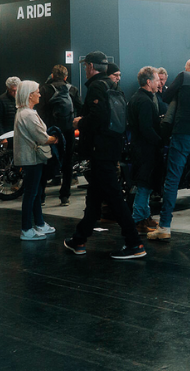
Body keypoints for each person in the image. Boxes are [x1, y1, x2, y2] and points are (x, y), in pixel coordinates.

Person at [64, 51, 146, 260]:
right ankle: (79, 239)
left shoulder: (96, 86)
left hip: (100, 150)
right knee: (95, 197)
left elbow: (97, 117)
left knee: (115, 198)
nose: (85, 69)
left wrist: (79, 122)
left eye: (85, 66)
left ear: (91, 66)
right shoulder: (114, 86)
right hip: (112, 147)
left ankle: (134, 242)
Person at [148, 56, 190, 242]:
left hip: (182, 134)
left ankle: (165, 227)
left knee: (172, 180)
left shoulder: (184, 76)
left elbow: (165, 97)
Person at [14, 80, 58, 241]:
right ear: (30, 95)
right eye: (37, 91)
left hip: (31, 158)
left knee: (35, 192)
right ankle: (26, 229)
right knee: (31, 193)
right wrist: (55, 139)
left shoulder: (24, 112)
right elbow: (42, 137)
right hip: (32, 159)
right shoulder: (28, 114)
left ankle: (39, 223)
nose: (40, 94)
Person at [36, 65, 82, 207]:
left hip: (50, 131)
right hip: (68, 131)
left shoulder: (44, 90)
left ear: (52, 75)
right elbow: (80, 108)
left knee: (46, 162)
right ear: (66, 77)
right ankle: (64, 196)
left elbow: (39, 112)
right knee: (68, 163)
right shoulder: (72, 89)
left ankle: (41, 197)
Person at [128, 66, 163, 234]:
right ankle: (138, 220)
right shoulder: (145, 102)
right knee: (144, 185)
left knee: (146, 185)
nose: (159, 83)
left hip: (139, 148)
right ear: (148, 82)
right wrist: (160, 142)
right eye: (157, 80)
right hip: (146, 150)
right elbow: (146, 128)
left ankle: (145, 216)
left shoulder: (137, 98)